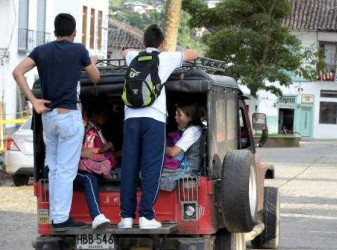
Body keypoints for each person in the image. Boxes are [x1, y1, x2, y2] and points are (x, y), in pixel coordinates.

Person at [12, 13, 100, 229]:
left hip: (48, 118)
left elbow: (17, 72)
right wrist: (90, 62)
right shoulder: (79, 50)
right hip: (68, 116)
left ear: (54, 32)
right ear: (74, 32)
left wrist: (33, 100)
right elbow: (96, 78)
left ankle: (55, 215)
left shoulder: (41, 51)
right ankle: (61, 218)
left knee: (53, 167)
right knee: (66, 171)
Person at [118, 24, 199, 229]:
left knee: (129, 166)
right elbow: (193, 53)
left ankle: (126, 218)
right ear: (161, 44)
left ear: (143, 42)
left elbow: (124, 51)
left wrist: (137, 51)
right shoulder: (166, 58)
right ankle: (146, 216)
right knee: (151, 167)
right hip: (154, 119)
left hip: (130, 119)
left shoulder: (133, 58)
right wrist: (174, 53)